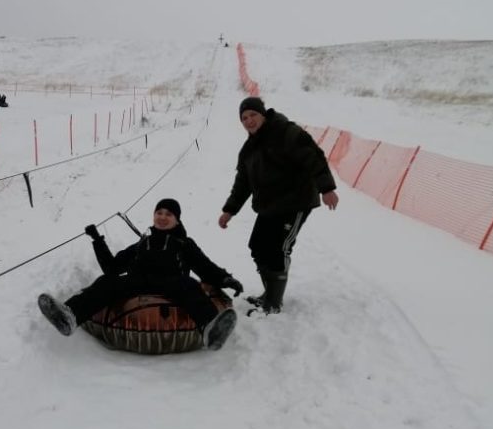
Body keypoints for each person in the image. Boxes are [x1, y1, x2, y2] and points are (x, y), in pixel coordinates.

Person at [38, 199, 244, 351]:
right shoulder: (142, 243)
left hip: (172, 283)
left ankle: (210, 328)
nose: (163, 217)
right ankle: (70, 316)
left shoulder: (183, 243)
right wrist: (97, 240)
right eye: (159, 212)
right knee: (107, 281)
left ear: (177, 220)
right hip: (139, 282)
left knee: (190, 284)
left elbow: (204, 266)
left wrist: (226, 279)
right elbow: (112, 267)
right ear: (154, 216)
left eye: (169, 214)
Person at [218, 96, 339, 313]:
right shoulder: (249, 148)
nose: (249, 120)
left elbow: (314, 156)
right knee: (257, 245)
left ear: (263, 114)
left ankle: (273, 303)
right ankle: (270, 293)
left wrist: (327, 188)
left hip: (296, 201)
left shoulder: (286, 132)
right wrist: (229, 210)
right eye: (244, 118)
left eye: (253, 115)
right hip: (269, 205)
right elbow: (242, 183)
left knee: (278, 249)